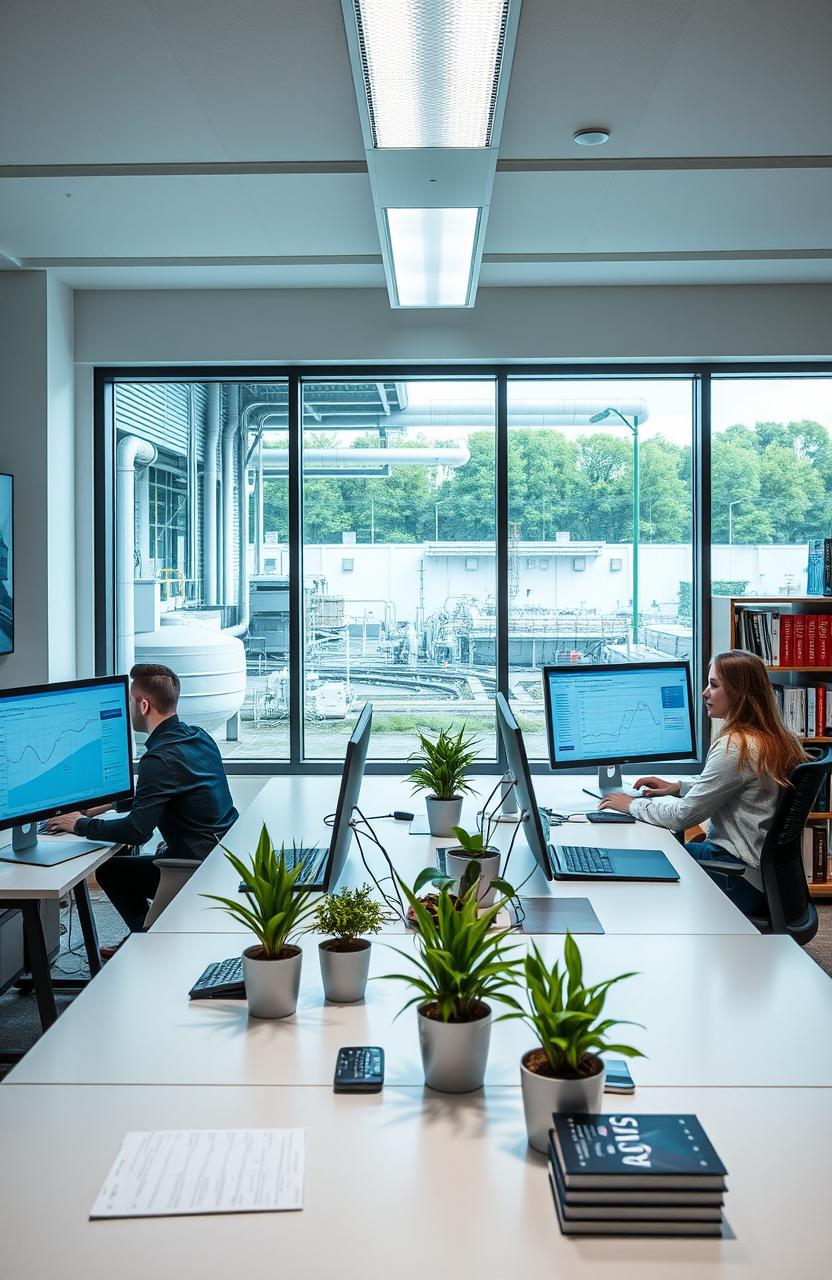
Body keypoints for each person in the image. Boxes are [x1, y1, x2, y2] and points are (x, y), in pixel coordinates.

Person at [598, 649, 807, 915]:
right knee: (676, 848)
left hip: (739, 878)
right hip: (767, 881)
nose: (705, 693)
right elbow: (734, 782)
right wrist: (678, 787)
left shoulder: (737, 746)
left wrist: (630, 805)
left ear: (739, 692)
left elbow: (682, 817)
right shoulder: (774, 739)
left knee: (651, 857)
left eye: (714, 685)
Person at [45, 663, 238, 935]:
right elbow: (168, 790)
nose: (128, 708)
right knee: (138, 861)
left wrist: (78, 824)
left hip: (196, 869)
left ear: (143, 705)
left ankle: (147, 940)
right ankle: (148, 933)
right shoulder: (198, 736)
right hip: (223, 856)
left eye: (130, 701)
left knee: (111, 871)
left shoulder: (157, 759)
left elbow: (136, 832)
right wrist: (112, 804)